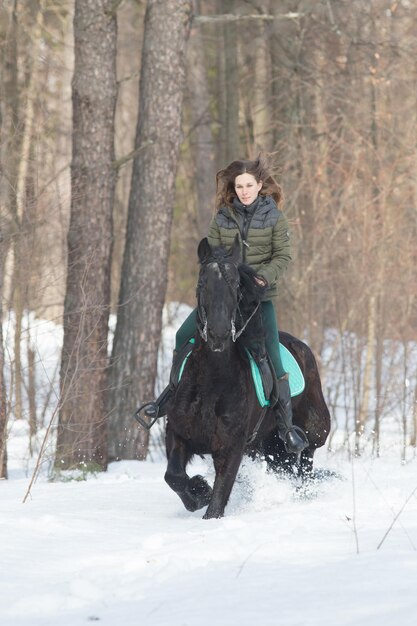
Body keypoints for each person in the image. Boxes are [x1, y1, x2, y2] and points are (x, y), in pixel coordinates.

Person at [145, 155, 308, 454]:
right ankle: (168, 398)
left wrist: (263, 278)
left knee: (271, 353)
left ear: (260, 185)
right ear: (233, 188)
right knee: (183, 336)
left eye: (249, 185)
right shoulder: (222, 217)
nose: (244, 191)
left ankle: (286, 427)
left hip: (258, 300)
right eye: (239, 186)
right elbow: (212, 255)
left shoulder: (274, 218)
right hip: (223, 300)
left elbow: (283, 256)